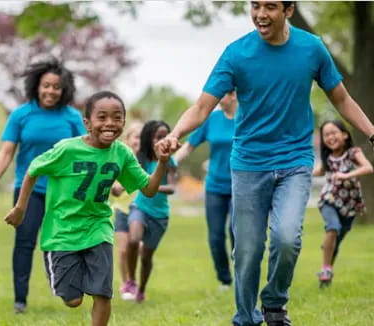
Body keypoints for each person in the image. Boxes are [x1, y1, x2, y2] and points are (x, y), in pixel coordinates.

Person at [157, 2, 374, 325]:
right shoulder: (236, 53)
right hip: (248, 163)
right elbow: (202, 107)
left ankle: (274, 304)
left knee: (287, 238)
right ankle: (245, 317)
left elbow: (341, 98)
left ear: (288, 10)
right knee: (246, 250)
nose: (260, 13)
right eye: (254, 5)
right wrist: (175, 133)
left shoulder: (311, 49)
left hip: (295, 159)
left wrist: (371, 132)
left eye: (269, 6)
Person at [3, 91, 172, 326]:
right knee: (73, 300)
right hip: (62, 231)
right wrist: (21, 207)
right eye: (102, 117)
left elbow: (150, 189)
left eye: (117, 117)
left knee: (103, 292)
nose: (110, 124)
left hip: (98, 226)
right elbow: (33, 169)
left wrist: (163, 162)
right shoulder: (67, 149)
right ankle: (71, 272)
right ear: (87, 123)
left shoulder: (122, 153)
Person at [0, 57, 86, 313]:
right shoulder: (21, 114)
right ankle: (20, 300)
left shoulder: (71, 117)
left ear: (64, 90)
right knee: (25, 243)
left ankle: (62, 284)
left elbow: (86, 153)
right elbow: (6, 152)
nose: (50, 91)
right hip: (29, 191)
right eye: (46, 85)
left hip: (63, 194)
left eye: (56, 87)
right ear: (36, 85)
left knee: (63, 241)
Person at [175, 90, 237, 290]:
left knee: (238, 232)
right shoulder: (212, 119)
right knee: (216, 236)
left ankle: (243, 273)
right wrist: (170, 162)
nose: (217, 98)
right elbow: (189, 146)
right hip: (215, 186)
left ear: (234, 95)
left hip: (242, 186)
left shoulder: (247, 117)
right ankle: (225, 279)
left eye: (223, 94)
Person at [313, 120, 373, 287]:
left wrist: (346, 175)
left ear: (345, 135)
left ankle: (327, 269)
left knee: (336, 240)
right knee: (332, 227)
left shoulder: (353, 152)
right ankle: (325, 268)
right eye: (326, 135)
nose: (330, 137)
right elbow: (318, 172)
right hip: (329, 199)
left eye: (334, 133)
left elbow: (368, 168)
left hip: (350, 203)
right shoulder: (328, 158)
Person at [124, 120, 177, 303]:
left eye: (165, 136)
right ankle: (130, 280)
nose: (162, 140)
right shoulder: (142, 157)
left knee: (146, 257)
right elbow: (131, 178)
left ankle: (141, 289)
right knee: (133, 239)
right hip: (140, 206)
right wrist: (121, 188)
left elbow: (171, 187)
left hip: (160, 215)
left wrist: (151, 186)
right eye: (158, 136)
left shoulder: (169, 160)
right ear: (149, 138)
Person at [109, 121, 144, 300]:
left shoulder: (148, 160)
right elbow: (112, 181)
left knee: (138, 248)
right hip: (122, 208)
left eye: (141, 137)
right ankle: (127, 284)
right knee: (122, 250)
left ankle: (135, 280)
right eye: (135, 137)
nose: (138, 140)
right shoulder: (119, 157)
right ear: (128, 139)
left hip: (141, 210)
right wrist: (116, 186)